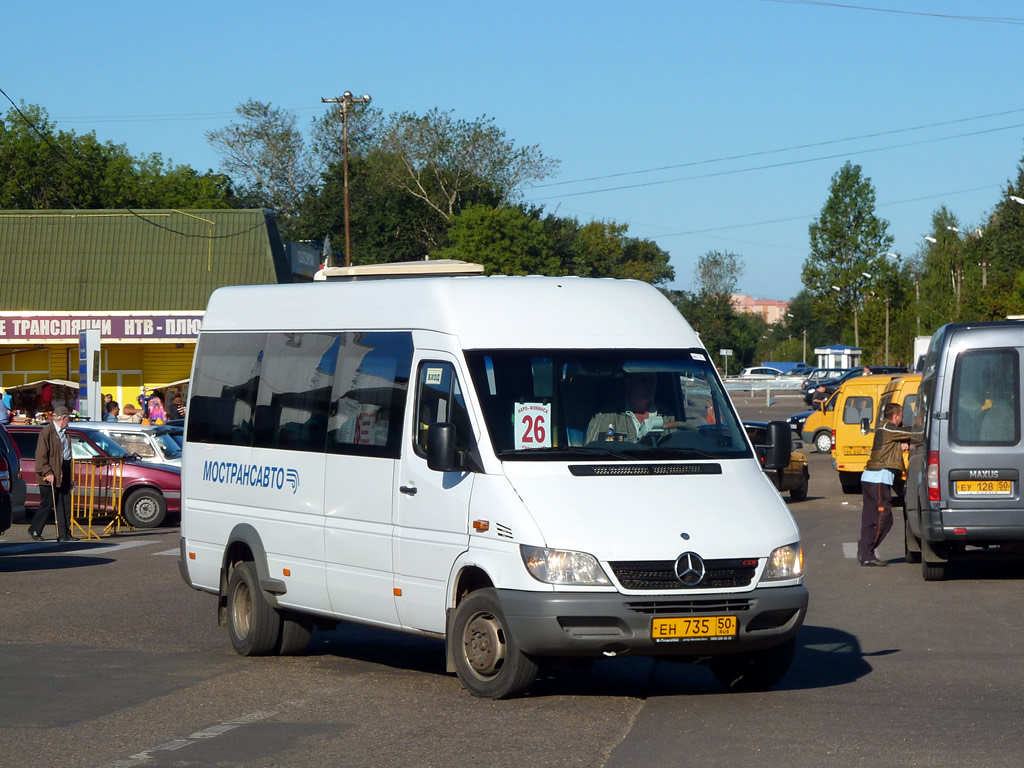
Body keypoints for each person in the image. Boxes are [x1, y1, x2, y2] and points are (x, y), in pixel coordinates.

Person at [858, 402, 923, 567]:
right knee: (883, 517)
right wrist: (923, 426)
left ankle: (865, 552)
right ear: (896, 416)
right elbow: (914, 432)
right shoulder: (888, 428)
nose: (902, 419)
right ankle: (867, 551)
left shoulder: (885, 429)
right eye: (901, 415)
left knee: (869, 518)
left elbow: (896, 440)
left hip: (874, 478)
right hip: (878, 478)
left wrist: (901, 445)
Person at [585, 372, 678, 443]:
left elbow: (676, 452)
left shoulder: (666, 416)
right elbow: (591, 453)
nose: (649, 385)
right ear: (628, 382)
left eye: (652, 379)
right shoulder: (607, 416)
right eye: (643, 380)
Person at [28, 405, 75, 542]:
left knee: (65, 503)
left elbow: (67, 455)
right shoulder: (47, 432)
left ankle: (65, 533)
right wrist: (47, 472)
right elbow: (41, 455)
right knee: (47, 503)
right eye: (68, 418)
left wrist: (70, 477)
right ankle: (35, 529)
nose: (69, 421)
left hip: (64, 469)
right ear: (63, 418)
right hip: (49, 471)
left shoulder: (65, 433)